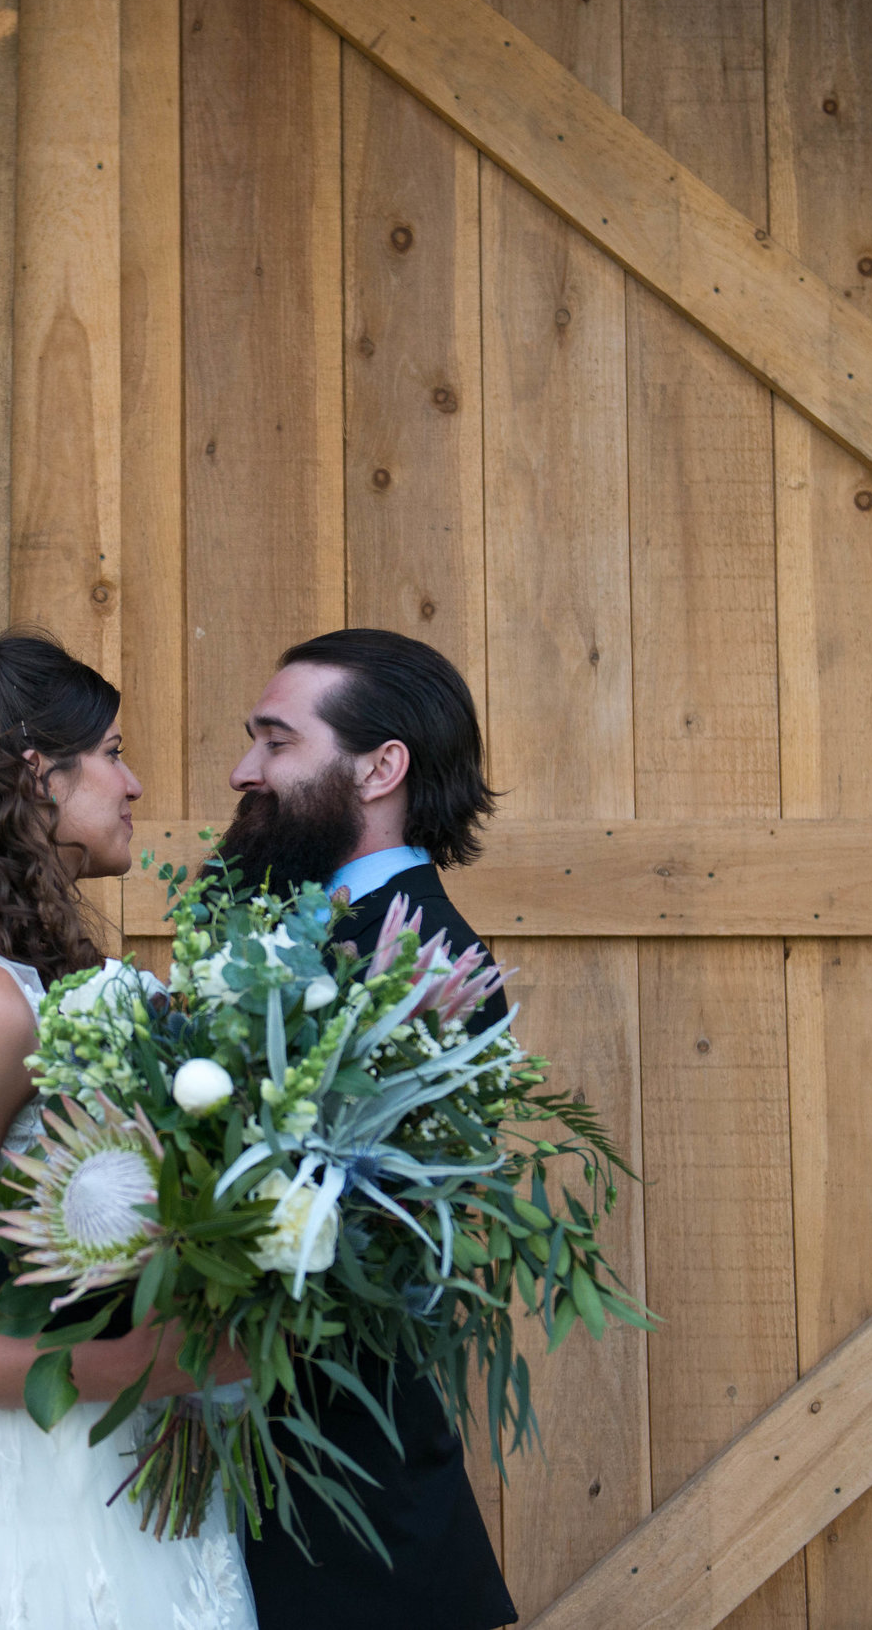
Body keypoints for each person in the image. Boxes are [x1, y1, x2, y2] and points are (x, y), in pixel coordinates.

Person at [0, 612, 256, 1630]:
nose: (133, 783)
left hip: (114, 1467)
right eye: (109, 754)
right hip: (40, 1486)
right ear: (34, 776)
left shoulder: (34, 983)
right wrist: (134, 1365)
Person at [220, 627, 518, 1629]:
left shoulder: (429, 971)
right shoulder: (289, 929)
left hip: (346, 1531)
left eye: (274, 742)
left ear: (379, 764)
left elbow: (354, 1264)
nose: (242, 770)